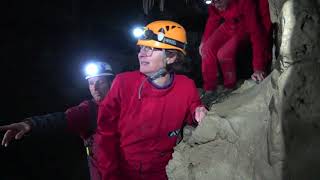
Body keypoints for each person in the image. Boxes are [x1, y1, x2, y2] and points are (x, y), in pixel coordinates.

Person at [95, 20, 208, 180]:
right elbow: (105, 135)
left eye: (151, 48)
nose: (141, 53)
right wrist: (110, 176)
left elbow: (193, 111)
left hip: (165, 172)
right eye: (141, 47)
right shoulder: (123, 83)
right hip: (126, 172)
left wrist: (198, 111)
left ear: (171, 57)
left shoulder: (186, 86)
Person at [0, 61, 114, 180]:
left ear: (112, 83)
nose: (94, 88)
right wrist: (31, 123)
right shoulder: (89, 110)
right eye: (91, 83)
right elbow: (61, 119)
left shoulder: (126, 106)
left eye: (100, 82)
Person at [199, 0, 272, 94]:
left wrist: (258, 68)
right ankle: (210, 88)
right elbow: (213, 19)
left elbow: (256, 33)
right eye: (212, 2)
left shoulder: (245, 2)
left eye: (218, 1)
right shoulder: (215, 5)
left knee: (223, 53)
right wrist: (204, 41)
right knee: (206, 49)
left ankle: (230, 86)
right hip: (229, 24)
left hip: (245, 25)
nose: (216, 5)